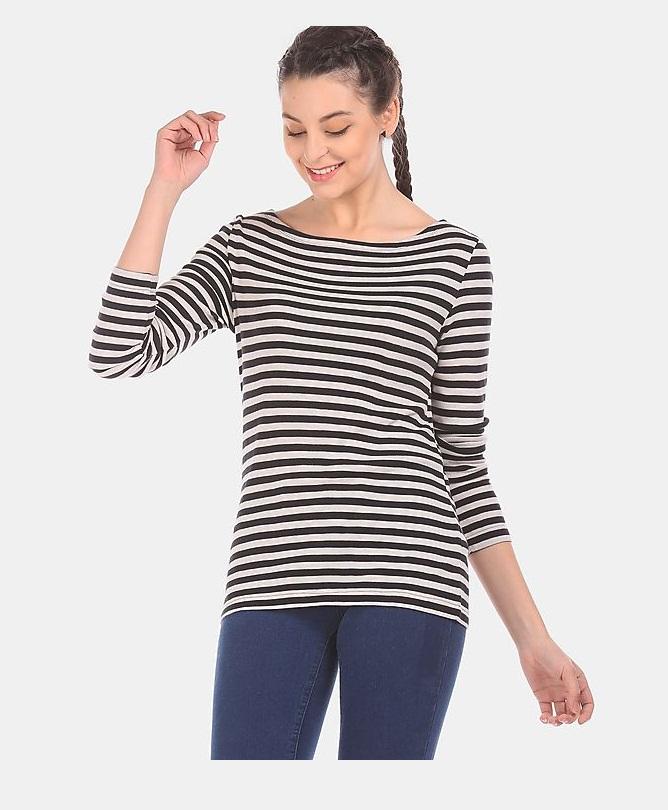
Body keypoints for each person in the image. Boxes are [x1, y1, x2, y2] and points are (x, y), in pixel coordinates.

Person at [87, 26, 594, 760]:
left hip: (411, 574)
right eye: (293, 130)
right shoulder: (249, 246)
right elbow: (119, 350)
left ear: (388, 113)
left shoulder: (454, 258)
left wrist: (533, 639)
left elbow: (461, 460)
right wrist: (164, 188)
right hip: (271, 571)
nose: (312, 152)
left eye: (335, 127)